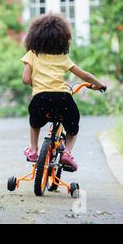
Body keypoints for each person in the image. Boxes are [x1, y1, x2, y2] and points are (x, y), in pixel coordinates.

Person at [21, 13, 106, 171]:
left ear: (34, 36)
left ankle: (33, 150)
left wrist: (37, 82)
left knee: (35, 122)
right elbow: (85, 76)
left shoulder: (32, 54)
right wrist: (100, 85)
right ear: (63, 39)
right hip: (62, 98)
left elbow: (26, 79)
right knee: (73, 127)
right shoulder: (62, 57)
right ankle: (67, 152)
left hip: (40, 98)